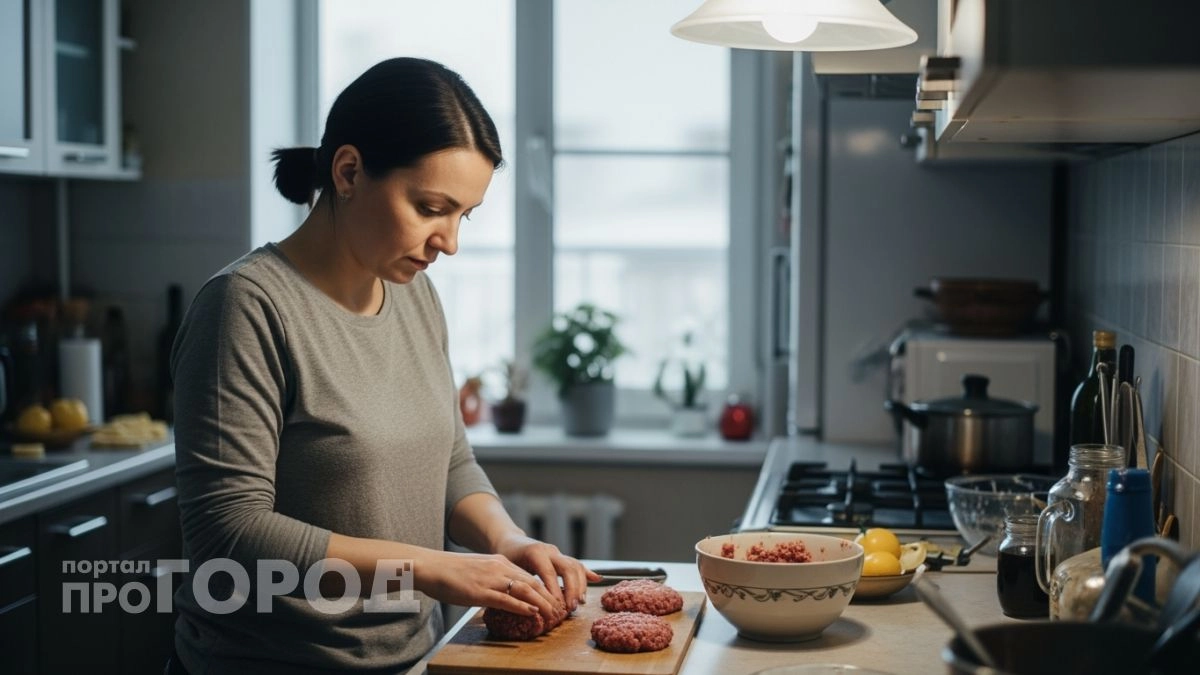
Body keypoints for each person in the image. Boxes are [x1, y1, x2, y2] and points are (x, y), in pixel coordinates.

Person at [169, 57, 599, 674]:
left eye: (464, 215)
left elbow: (449, 461)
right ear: (348, 172)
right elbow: (228, 535)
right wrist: (432, 566)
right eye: (430, 208)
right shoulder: (246, 307)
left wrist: (509, 542)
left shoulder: (413, 293)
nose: (449, 241)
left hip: (413, 658)